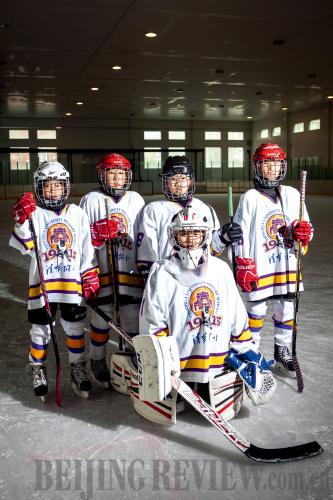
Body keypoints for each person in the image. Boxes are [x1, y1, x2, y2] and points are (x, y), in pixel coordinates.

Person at [138, 206, 274, 417]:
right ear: (173, 236)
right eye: (183, 233)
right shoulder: (162, 270)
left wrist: (245, 348)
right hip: (178, 363)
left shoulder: (220, 269)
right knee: (179, 393)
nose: (190, 239)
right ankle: (181, 385)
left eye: (196, 233)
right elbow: (153, 316)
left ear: (205, 235)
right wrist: (160, 358)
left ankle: (209, 382)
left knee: (212, 393)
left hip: (213, 359)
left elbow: (235, 311)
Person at [9, 161, 100, 399]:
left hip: (72, 285)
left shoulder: (78, 214)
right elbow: (25, 245)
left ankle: (77, 368)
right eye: (48, 186)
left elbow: (86, 249)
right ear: (39, 188)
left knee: (75, 329)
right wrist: (21, 220)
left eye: (58, 186)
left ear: (65, 187)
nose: (53, 191)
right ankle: (38, 368)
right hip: (43, 286)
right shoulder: (34, 215)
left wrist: (89, 272)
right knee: (40, 330)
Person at [232, 143, 313, 376]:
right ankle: (251, 353)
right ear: (258, 166)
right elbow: (240, 234)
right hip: (260, 265)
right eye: (267, 163)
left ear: (282, 167)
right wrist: (243, 263)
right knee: (255, 312)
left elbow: (306, 227)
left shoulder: (293, 194)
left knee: (286, 308)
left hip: (285, 265)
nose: (272, 168)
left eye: (276, 163)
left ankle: (282, 351)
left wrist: (303, 233)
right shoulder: (250, 198)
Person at [80, 153, 145, 386]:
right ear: (102, 175)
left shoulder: (136, 199)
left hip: (129, 271)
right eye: (111, 173)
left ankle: (130, 360)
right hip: (103, 271)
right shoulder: (91, 200)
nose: (116, 179)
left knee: (131, 319)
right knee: (101, 319)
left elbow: (141, 237)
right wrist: (89, 268)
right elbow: (81, 238)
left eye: (121, 174)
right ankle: (97, 359)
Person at [136, 155, 242, 282]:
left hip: (200, 277)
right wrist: (150, 275)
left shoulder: (205, 208)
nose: (179, 183)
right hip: (168, 277)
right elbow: (146, 249)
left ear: (190, 181)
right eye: (173, 178)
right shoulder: (154, 210)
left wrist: (224, 236)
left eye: (183, 178)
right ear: (166, 182)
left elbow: (211, 249)